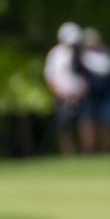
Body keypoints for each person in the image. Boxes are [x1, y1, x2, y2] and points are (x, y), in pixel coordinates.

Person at [42, 22, 87, 155]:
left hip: (81, 96)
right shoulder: (56, 54)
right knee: (64, 127)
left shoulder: (80, 53)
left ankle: (87, 154)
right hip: (63, 97)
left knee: (84, 125)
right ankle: (69, 155)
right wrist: (60, 93)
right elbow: (50, 77)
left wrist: (81, 92)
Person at [77, 27, 110, 153]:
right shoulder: (80, 57)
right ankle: (89, 152)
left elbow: (105, 69)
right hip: (89, 94)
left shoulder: (106, 54)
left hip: (107, 94)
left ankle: (106, 152)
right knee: (88, 123)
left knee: (107, 124)